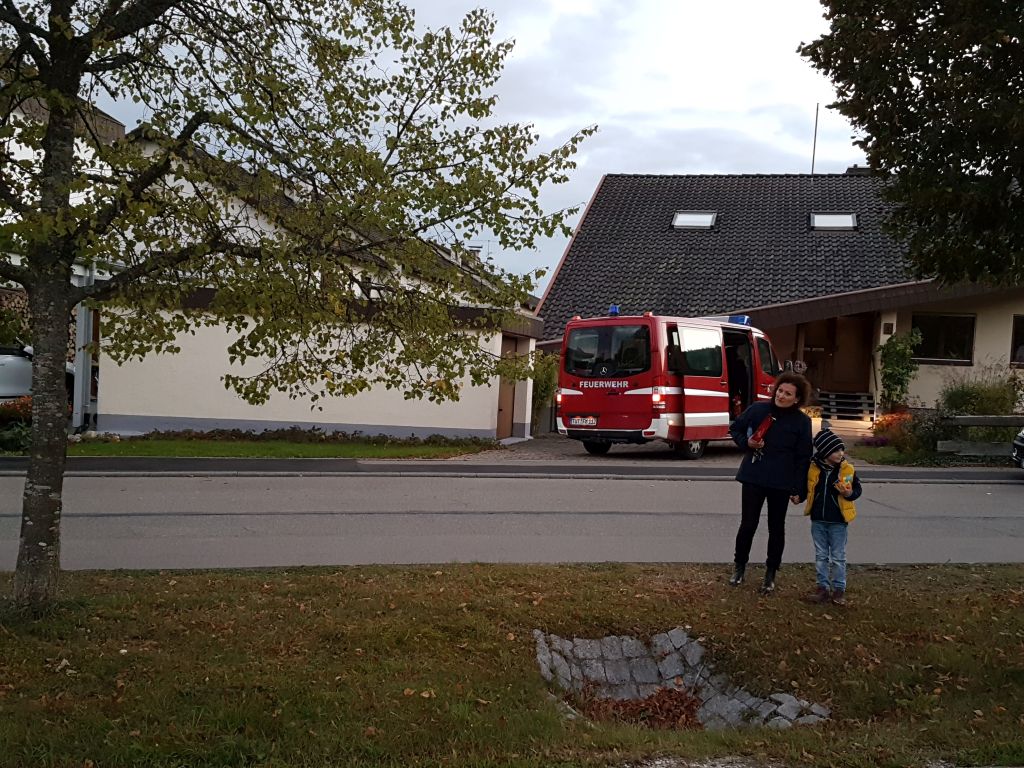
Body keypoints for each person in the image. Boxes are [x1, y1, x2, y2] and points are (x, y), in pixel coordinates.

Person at [727, 371, 812, 594]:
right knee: (748, 524)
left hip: (781, 481)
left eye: (788, 394)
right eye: (780, 391)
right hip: (754, 476)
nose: (781, 396)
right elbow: (735, 428)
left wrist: (799, 489)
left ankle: (770, 573)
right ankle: (739, 567)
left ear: (797, 399)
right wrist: (747, 443)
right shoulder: (758, 409)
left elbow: (804, 458)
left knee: (776, 528)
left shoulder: (802, 422)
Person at [801, 429, 862, 607]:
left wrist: (849, 493)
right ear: (825, 453)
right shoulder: (813, 469)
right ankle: (822, 587)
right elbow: (809, 488)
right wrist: (799, 496)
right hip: (818, 519)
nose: (840, 454)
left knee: (838, 556)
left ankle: (839, 589)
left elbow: (856, 490)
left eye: (841, 450)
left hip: (838, 521)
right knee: (821, 555)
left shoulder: (847, 470)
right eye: (836, 451)